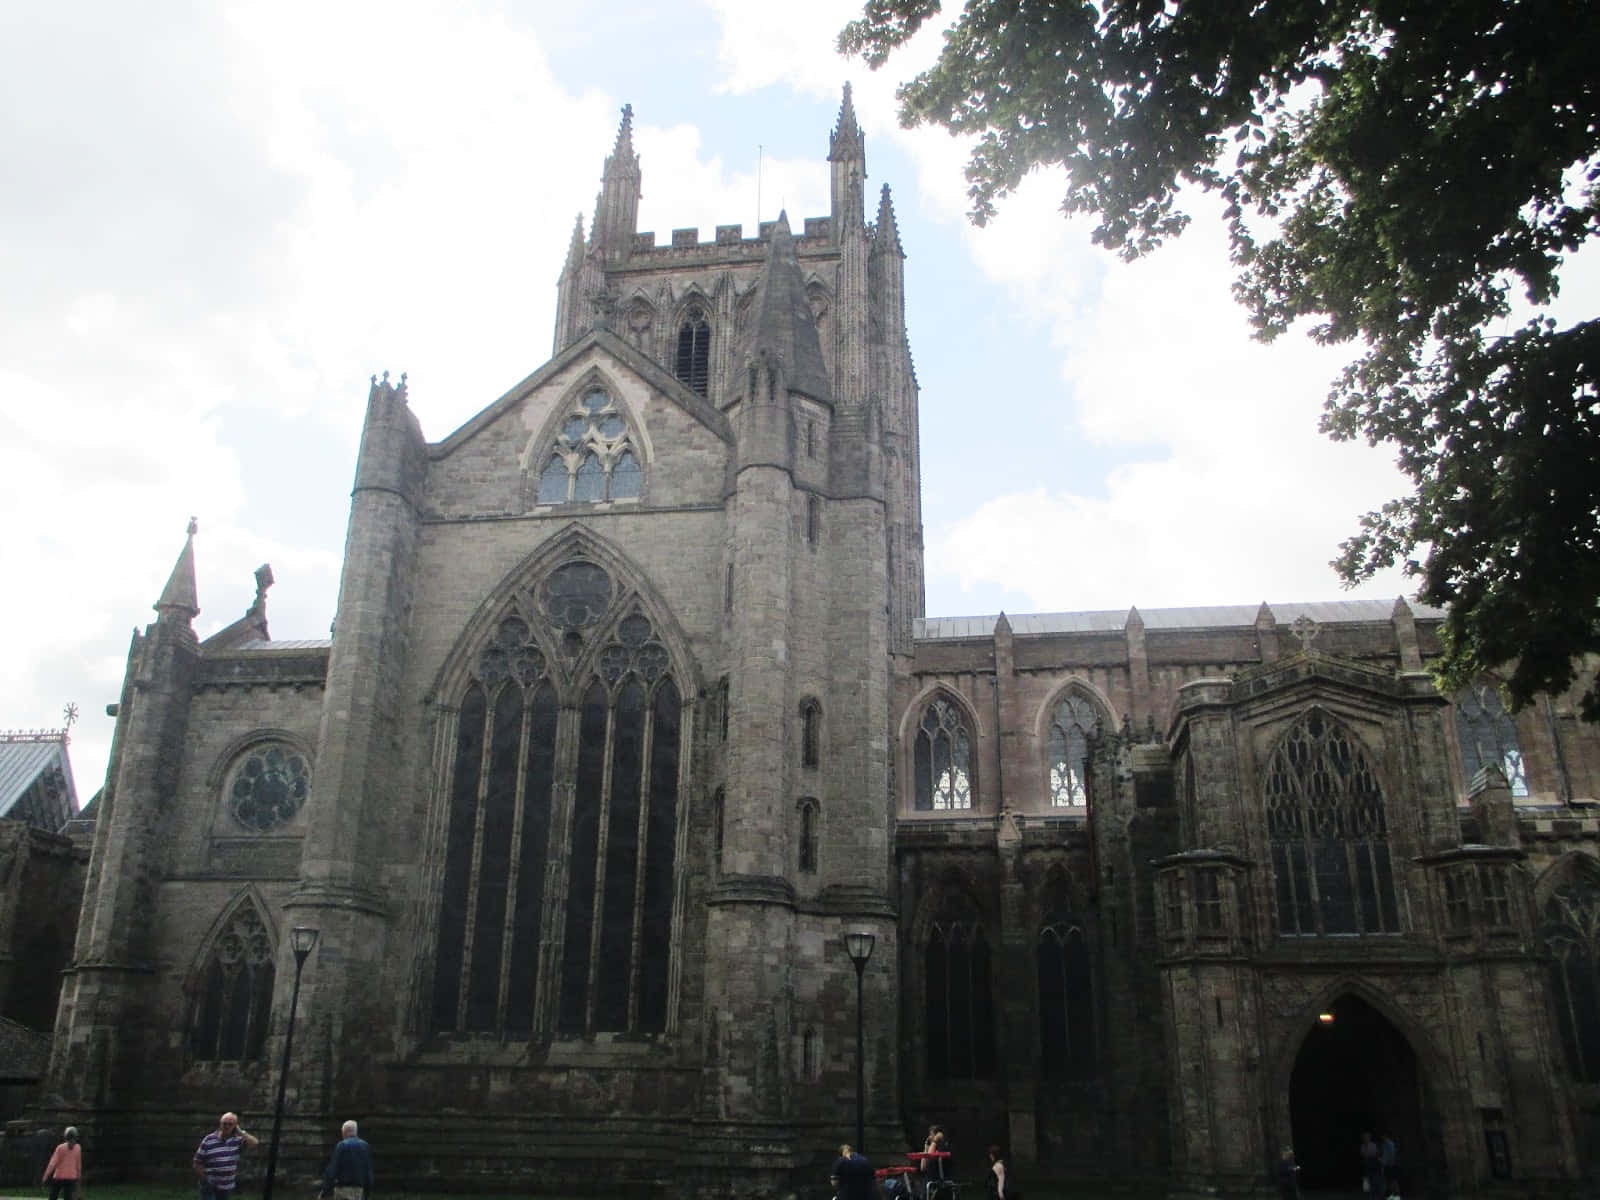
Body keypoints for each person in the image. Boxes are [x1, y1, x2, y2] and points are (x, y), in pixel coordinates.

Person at [193, 1112, 259, 1200]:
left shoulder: (238, 1140)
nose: (227, 1126)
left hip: (226, 1186)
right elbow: (197, 1162)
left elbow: (255, 1143)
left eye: (230, 1124)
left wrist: (241, 1132)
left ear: (235, 1125)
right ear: (220, 1124)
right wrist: (205, 1180)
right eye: (224, 1123)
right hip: (209, 1185)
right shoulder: (209, 1139)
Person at [319, 1120, 374, 1200]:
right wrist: (368, 1192)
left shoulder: (342, 1145)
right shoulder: (365, 1146)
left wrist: (324, 1190)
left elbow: (332, 1170)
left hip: (343, 1190)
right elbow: (368, 1170)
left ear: (345, 1132)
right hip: (359, 1190)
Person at [42, 1127, 82, 1200]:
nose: (72, 1142)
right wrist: (46, 1176)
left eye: (73, 1140)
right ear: (67, 1139)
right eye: (70, 1140)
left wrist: (78, 1177)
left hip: (67, 1179)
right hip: (61, 1178)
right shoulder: (62, 1148)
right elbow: (52, 1164)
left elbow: (78, 1164)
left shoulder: (76, 1148)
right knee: (54, 1197)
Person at [921, 1126, 953, 1200]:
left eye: (931, 1135)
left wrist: (935, 1141)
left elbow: (930, 1157)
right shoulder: (932, 1147)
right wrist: (926, 1147)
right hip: (929, 1181)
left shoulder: (944, 1147)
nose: (929, 1137)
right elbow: (923, 1167)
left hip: (939, 1182)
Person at [1379, 1133, 1398, 1197]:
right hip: (1386, 1164)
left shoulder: (1390, 1144)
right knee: (1387, 1180)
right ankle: (1389, 1193)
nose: (1382, 1138)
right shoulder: (1384, 1144)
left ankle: (1395, 1193)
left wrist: (1390, 1162)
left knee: (1392, 1180)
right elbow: (1385, 1154)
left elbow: (1392, 1154)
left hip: (1390, 1164)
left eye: (1383, 1136)